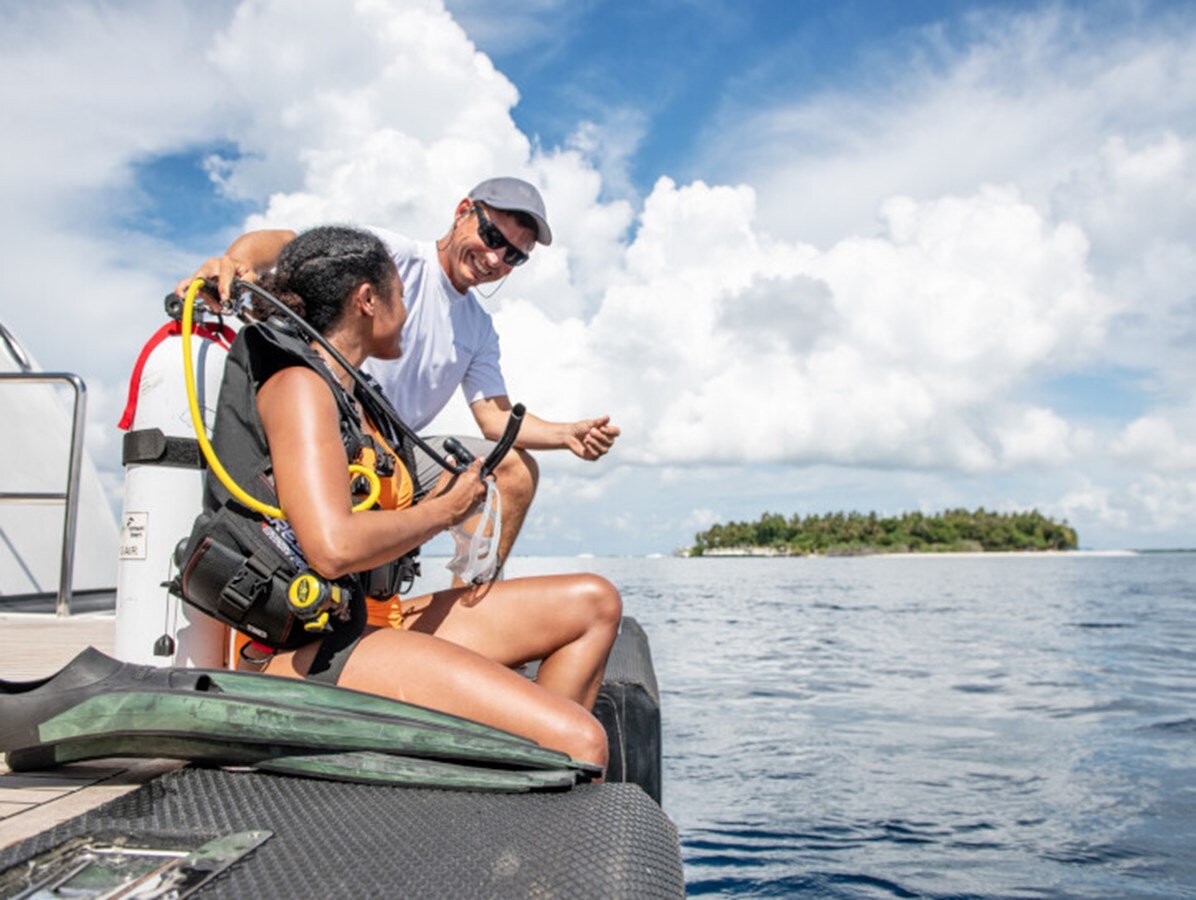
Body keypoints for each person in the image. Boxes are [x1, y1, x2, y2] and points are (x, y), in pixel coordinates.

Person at [184, 225, 620, 768]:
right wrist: (445, 513)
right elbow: (332, 547)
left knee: (594, 602)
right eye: (400, 297)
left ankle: (524, 770)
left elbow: (492, 419)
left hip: (371, 619)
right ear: (367, 300)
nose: (408, 312)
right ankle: (541, 762)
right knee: (582, 740)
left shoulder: (359, 393)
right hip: (303, 649)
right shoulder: (299, 383)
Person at [177, 178, 619, 576]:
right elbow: (291, 243)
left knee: (516, 471)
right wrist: (234, 261)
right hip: (333, 433)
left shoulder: (480, 327)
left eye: (514, 257)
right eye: (491, 236)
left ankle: (470, 608)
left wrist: (568, 434)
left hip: (396, 451)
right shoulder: (392, 257)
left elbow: (495, 420)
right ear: (463, 210)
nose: (495, 258)